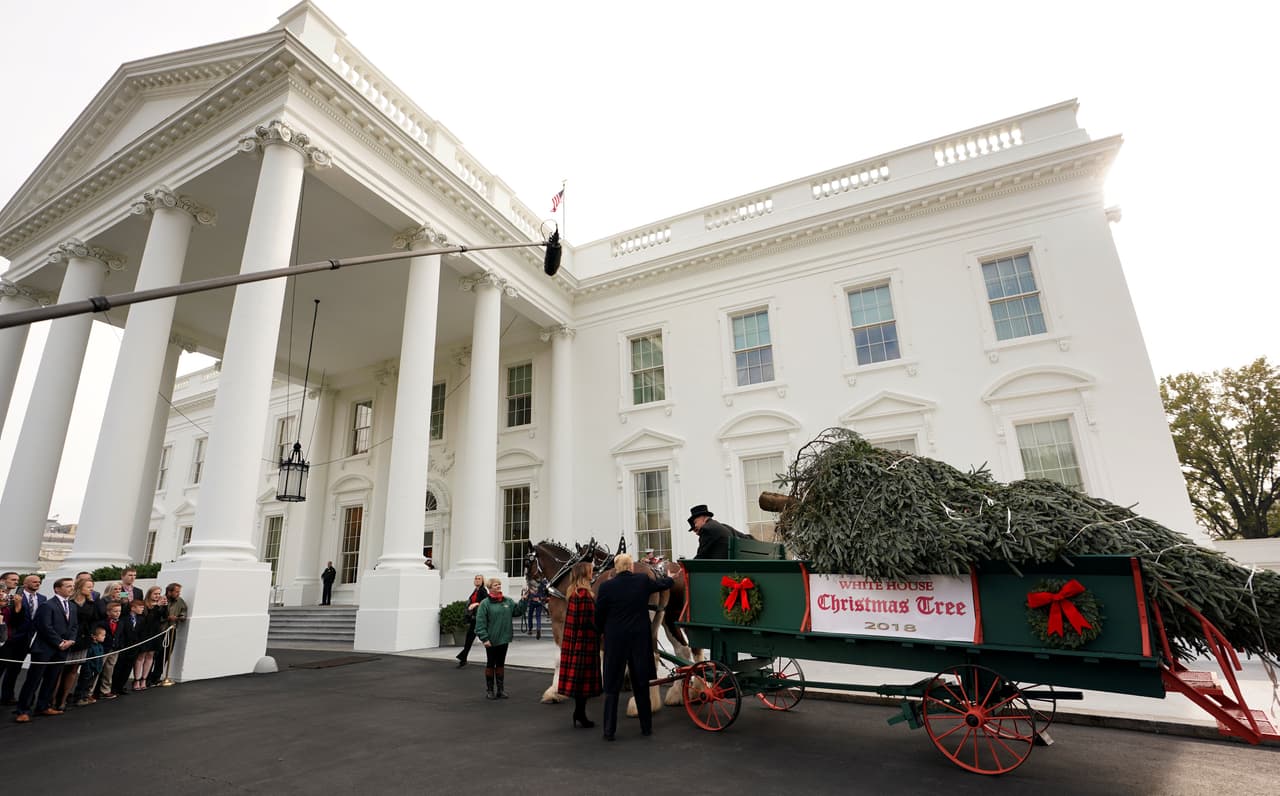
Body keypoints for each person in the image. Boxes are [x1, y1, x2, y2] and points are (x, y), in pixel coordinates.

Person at [594, 553, 673, 741]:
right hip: (639, 641)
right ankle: (646, 728)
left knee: (612, 688)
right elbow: (662, 585)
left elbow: (598, 616)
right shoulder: (642, 580)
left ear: (616, 568)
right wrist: (670, 578)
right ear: (631, 567)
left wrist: (602, 629)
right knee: (641, 686)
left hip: (615, 642)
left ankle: (609, 731)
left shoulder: (606, 587)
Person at [15, 577, 77, 723]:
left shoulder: (72, 606)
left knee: (52, 679)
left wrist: (70, 641)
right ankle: (23, 710)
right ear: (57, 589)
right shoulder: (47, 605)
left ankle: (43, 706)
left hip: (62, 649)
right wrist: (59, 642)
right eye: (68, 586)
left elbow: (74, 626)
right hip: (44, 649)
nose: (71, 588)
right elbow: (44, 627)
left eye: (72, 586)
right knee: (33, 680)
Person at [557, 562, 602, 728]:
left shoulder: (575, 593)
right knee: (583, 679)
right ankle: (580, 713)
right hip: (584, 642)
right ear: (584, 574)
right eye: (591, 571)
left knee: (580, 679)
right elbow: (588, 621)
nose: (593, 573)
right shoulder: (583, 595)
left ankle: (579, 712)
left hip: (576, 640)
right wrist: (602, 628)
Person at [473, 578, 526, 700]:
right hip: (491, 640)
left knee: (501, 663)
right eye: (495, 585)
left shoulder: (507, 601)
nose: (498, 586)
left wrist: (523, 601)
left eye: (499, 584)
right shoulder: (485, 604)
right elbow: (480, 623)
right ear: (490, 588)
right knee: (491, 663)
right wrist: (484, 638)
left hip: (504, 639)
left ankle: (500, 690)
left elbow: (517, 611)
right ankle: (490, 690)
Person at [53, 576, 100, 710]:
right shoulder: (70, 602)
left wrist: (92, 634)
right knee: (60, 670)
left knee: (73, 669)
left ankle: (63, 701)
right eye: (89, 587)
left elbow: (95, 620)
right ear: (80, 587)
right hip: (67, 639)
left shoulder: (91, 603)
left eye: (92, 587)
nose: (91, 590)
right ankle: (52, 699)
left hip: (83, 639)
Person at [1, 574, 44, 706]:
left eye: (39, 582)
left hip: (26, 638)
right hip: (8, 638)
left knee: (15, 669)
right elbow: (12, 618)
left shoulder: (42, 598)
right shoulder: (14, 597)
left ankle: (7, 696)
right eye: (13, 580)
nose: (37, 583)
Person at [455, 574, 487, 668]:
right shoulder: (475, 591)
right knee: (469, 638)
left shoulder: (483, 590)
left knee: (474, 637)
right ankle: (463, 658)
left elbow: (486, 602)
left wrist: (476, 604)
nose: (477, 580)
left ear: (482, 581)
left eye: (479, 579)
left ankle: (463, 657)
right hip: (474, 618)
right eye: (476, 579)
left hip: (479, 618)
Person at [72, 625, 108, 706]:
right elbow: (88, 660)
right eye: (102, 635)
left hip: (95, 670)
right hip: (88, 670)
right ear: (94, 637)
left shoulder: (100, 646)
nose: (104, 637)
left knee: (89, 685)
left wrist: (98, 669)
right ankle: (78, 698)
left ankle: (85, 697)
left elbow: (100, 660)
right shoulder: (90, 647)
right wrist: (89, 669)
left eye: (104, 635)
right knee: (83, 684)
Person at [96, 601, 125, 700]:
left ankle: (105, 690)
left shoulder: (121, 623)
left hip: (115, 649)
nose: (118, 613)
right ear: (108, 612)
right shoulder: (102, 623)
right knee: (97, 670)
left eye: (119, 611)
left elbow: (120, 635)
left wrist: (119, 645)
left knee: (109, 670)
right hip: (103, 649)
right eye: (115, 611)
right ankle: (89, 692)